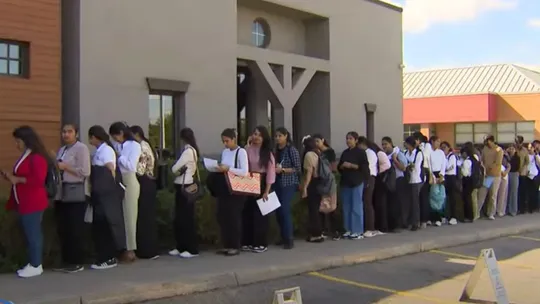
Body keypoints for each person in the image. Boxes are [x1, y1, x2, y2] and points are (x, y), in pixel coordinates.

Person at [2, 126, 51, 278]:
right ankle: (32, 263)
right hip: (23, 201)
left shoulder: (36, 157)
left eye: (18, 141)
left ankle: (36, 264)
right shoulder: (26, 156)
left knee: (33, 233)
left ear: (26, 141)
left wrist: (17, 179)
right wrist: (11, 177)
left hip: (33, 202)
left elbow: (38, 180)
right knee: (30, 233)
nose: (16, 145)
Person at [53, 123, 91, 273]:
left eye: (69, 132)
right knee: (64, 228)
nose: (66, 135)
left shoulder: (81, 149)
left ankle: (77, 261)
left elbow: (85, 172)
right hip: (62, 192)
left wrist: (66, 167)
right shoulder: (62, 150)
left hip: (76, 191)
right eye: (63, 132)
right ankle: (66, 260)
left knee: (75, 228)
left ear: (76, 133)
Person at [87, 125, 126, 270]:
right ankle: (102, 256)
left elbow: (111, 168)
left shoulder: (107, 150)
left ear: (95, 137)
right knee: (100, 226)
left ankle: (109, 257)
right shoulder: (99, 151)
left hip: (107, 195)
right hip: (100, 194)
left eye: (90, 137)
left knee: (106, 225)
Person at [109, 122, 142, 263]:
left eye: (115, 135)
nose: (115, 139)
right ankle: (122, 247)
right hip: (119, 180)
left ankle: (131, 250)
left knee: (130, 216)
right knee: (121, 216)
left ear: (122, 133)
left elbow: (131, 165)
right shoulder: (118, 145)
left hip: (129, 179)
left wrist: (119, 156)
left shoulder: (134, 146)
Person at [215, 128, 249, 256]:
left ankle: (235, 245)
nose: (225, 144)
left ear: (234, 139)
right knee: (222, 216)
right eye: (223, 141)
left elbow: (244, 171)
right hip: (224, 186)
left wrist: (229, 168)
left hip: (236, 189)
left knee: (233, 217)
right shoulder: (225, 152)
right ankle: (226, 244)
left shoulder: (241, 152)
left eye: (227, 141)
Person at [242, 126, 276, 253]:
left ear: (264, 138)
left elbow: (271, 173)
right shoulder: (248, 149)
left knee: (260, 214)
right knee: (248, 212)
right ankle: (247, 241)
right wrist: (247, 144)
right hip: (250, 180)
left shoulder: (268, 153)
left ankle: (260, 243)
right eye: (254, 134)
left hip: (262, 182)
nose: (256, 137)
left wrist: (267, 190)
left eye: (259, 135)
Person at [170, 128, 201, 258]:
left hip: (184, 186)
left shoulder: (188, 151)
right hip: (186, 185)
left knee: (185, 218)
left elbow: (174, 168)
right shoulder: (193, 150)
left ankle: (191, 248)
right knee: (182, 218)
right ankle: (181, 246)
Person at [130, 125, 159, 260]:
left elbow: (140, 169)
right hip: (150, 183)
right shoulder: (147, 145)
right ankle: (149, 249)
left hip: (145, 182)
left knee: (145, 217)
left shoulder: (142, 146)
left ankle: (147, 250)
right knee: (147, 217)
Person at [273, 127, 301, 249]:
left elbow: (297, 168)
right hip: (276, 182)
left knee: (285, 209)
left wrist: (283, 170)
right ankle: (282, 236)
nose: (278, 138)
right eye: (276, 136)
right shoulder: (275, 150)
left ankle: (289, 238)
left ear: (286, 136)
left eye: (280, 136)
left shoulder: (291, 150)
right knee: (278, 211)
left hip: (288, 182)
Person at [338, 132, 369, 240]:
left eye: (350, 138)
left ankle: (358, 230)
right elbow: (339, 167)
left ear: (356, 140)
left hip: (357, 181)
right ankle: (348, 229)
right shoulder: (345, 153)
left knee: (356, 207)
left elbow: (364, 167)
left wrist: (352, 165)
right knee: (346, 207)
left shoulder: (360, 153)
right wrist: (342, 166)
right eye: (347, 138)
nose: (348, 141)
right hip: (345, 182)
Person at [313, 133, 340, 240]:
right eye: (314, 142)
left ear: (323, 140)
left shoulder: (329, 152)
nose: (316, 144)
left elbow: (333, 167)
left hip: (329, 181)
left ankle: (335, 230)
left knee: (332, 207)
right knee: (322, 207)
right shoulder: (315, 153)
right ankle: (324, 229)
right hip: (320, 181)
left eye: (317, 141)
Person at [357, 136, 384, 237]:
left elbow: (367, 167)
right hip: (366, 177)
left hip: (369, 177)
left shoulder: (369, 153)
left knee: (367, 202)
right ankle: (366, 226)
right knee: (365, 202)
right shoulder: (367, 152)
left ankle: (370, 227)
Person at [381, 136, 408, 231]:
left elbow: (404, 168)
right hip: (389, 182)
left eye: (386, 144)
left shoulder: (398, 153)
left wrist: (395, 160)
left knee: (398, 203)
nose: (384, 146)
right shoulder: (384, 155)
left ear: (391, 143)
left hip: (398, 180)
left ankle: (400, 224)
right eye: (383, 144)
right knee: (390, 204)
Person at [301, 136, 324, 243]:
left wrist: (305, 187)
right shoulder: (317, 153)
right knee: (317, 209)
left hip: (313, 183)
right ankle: (319, 232)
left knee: (313, 210)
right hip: (319, 182)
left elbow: (309, 173)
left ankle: (316, 234)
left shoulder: (308, 155)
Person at [477, 135, 503, 220]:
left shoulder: (499, 150)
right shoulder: (485, 149)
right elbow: (482, 159)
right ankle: (476, 212)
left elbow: (498, 162)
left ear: (491, 141)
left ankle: (491, 213)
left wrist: (488, 167)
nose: (487, 143)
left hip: (495, 176)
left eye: (488, 141)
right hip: (486, 176)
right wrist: (483, 167)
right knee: (482, 194)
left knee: (493, 195)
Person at [413, 132, 432, 228]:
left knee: (424, 196)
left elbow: (426, 158)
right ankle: (419, 219)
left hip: (424, 171)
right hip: (418, 172)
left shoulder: (426, 146)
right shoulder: (415, 149)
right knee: (418, 198)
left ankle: (424, 219)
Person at [404, 136, 423, 231]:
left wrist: (408, 166)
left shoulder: (418, 154)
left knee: (415, 202)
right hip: (407, 179)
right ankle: (409, 221)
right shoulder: (405, 153)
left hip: (415, 179)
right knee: (408, 201)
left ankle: (416, 222)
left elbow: (416, 166)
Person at [428, 136, 447, 227]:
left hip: (440, 175)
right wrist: (433, 176)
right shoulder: (429, 152)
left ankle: (441, 216)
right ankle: (434, 218)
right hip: (432, 175)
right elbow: (429, 165)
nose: (438, 143)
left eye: (439, 141)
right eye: (437, 141)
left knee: (440, 197)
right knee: (433, 197)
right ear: (432, 141)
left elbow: (444, 164)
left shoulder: (441, 153)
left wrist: (441, 175)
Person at [440, 141, 459, 225]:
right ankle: (445, 216)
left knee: (452, 198)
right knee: (444, 198)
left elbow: (448, 167)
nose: (443, 149)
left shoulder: (452, 157)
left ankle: (453, 217)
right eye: (442, 147)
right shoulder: (443, 156)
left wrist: (443, 168)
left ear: (448, 148)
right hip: (445, 178)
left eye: (445, 147)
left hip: (451, 177)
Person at [461, 144, 479, 222]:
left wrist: (460, 168)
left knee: (467, 199)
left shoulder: (467, 161)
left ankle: (469, 216)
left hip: (467, 180)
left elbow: (464, 173)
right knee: (473, 199)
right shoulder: (475, 159)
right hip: (474, 180)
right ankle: (474, 215)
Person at [516, 135, 530, 214]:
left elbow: (527, 161)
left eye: (518, 141)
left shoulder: (524, 150)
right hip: (515, 173)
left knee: (522, 191)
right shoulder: (514, 149)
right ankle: (516, 207)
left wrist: (523, 170)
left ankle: (522, 208)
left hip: (522, 173)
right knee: (515, 191)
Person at [497, 146, 511, 217]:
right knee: (497, 194)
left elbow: (509, 165)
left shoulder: (505, 156)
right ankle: (497, 210)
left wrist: (506, 172)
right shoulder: (495, 156)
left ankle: (501, 210)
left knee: (503, 194)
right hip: (497, 174)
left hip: (504, 174)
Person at [506, 144, 520, 216]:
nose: (511, 150)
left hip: (514, 174)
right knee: (507, 192)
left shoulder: (517, 157)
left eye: (512, 149)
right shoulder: (507, 156)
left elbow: (515, 166)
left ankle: (513, 210)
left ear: (515, 150)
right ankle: (507, 209)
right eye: (510, 148)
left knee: (514, 192)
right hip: (508, 174)